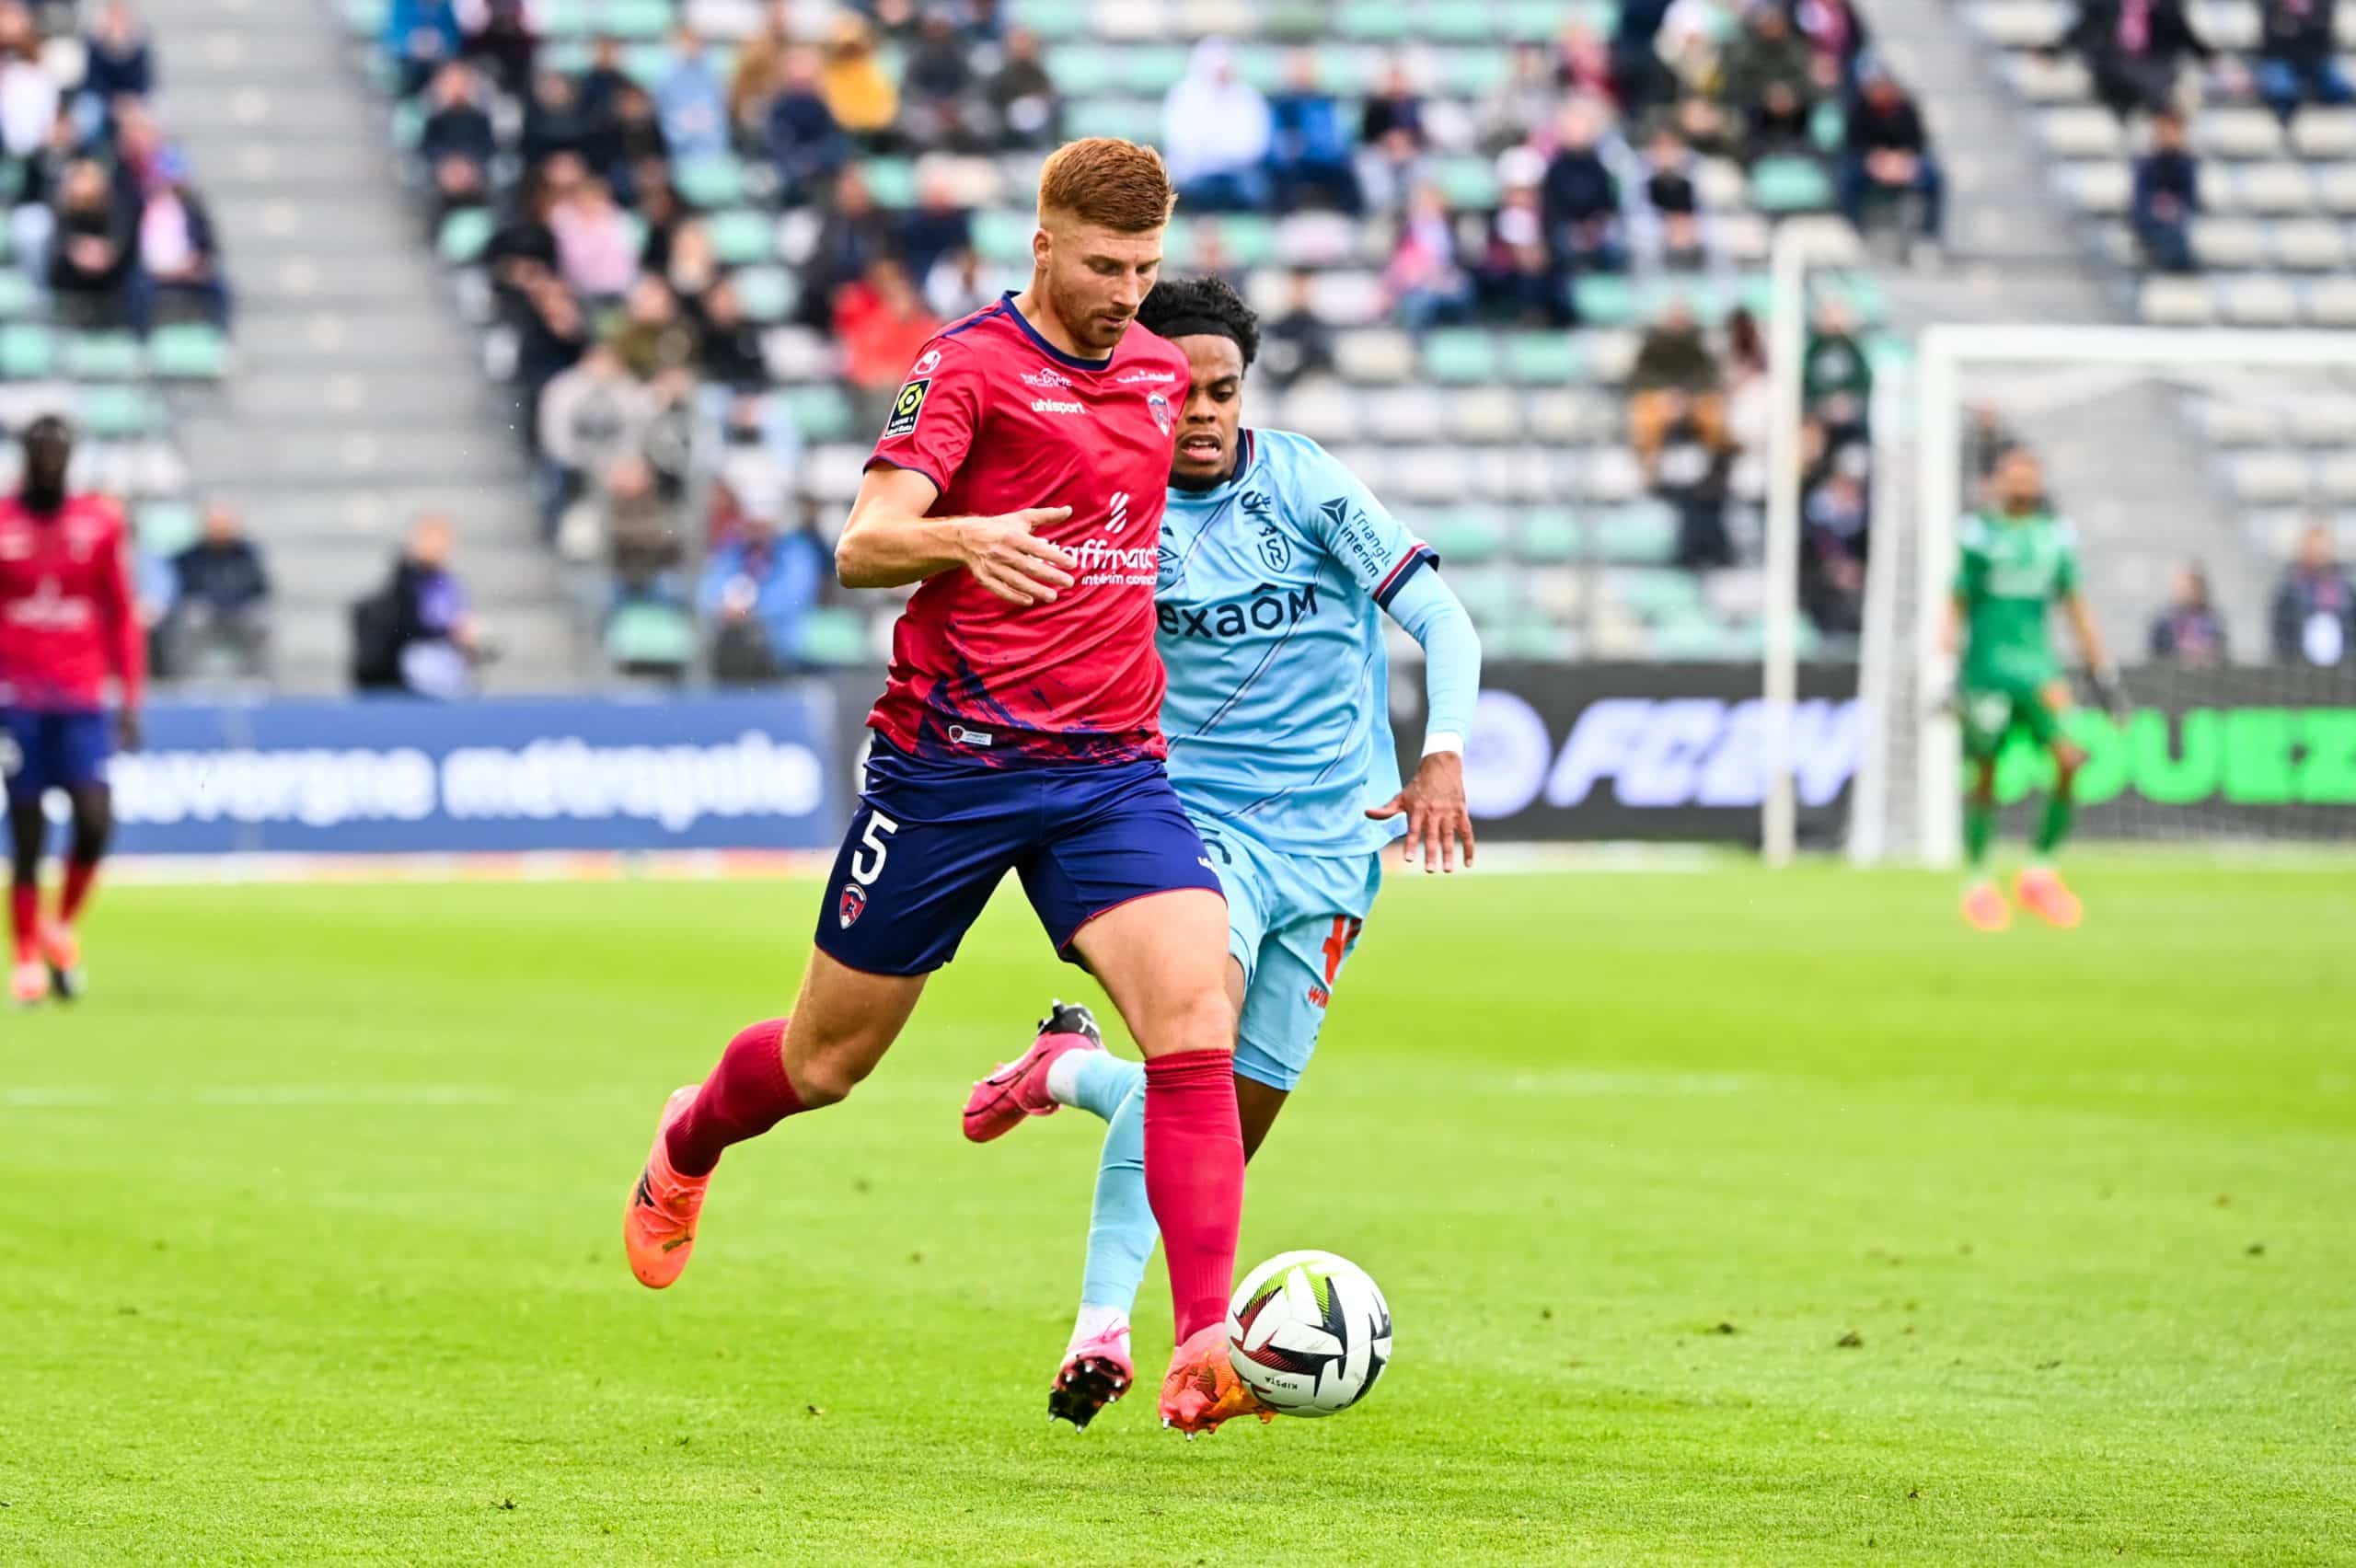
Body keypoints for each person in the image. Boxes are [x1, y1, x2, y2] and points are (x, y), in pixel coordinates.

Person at [618, 138, 1255, 1436]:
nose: (1129, 293)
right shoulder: (967, 369)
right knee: (824, 1063)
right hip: (950, 766)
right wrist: (962, 536)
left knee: (1197, 1015)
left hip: (1108, 772)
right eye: (1103, 265)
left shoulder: (1151, 375)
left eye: (1145, 266)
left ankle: (1203, 1340)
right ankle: (691, 1138)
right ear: (1043, 242)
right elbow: (863, 543)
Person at [955, 275, 1481, 1431]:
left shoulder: (1303, 484)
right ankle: (1109, 1328)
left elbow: (1441, 618)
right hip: (1192, 836)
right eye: (1180, 389)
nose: (1198, 411)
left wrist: (1441, 752)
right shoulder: (1115, 512)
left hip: (1335, 850)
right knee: (1194, 1051)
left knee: (1221, 1132)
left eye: (1221, 390)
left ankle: (1064, 1072)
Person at [1944, 447, 2120, 932]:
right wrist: (1944, 670)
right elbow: (1955, 603)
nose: (2023, 483)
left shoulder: (2054, 538)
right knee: (1985, 774)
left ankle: (2039, 873)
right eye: (2014, 475)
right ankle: (1978, 883)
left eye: (2030, 475)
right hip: (1986, 672)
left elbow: (2075, 606)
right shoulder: (1979, 536)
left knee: (2069, 759)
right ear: (1998, 482)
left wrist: (2101, 673)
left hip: (2041, 672)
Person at [0, 417, 142, 1008]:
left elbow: (121, 611)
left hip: (81, 698)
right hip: (17, 699)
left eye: (60, 449)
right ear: (27, 456)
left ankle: (62, 924)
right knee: (28, 829)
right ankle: (28, 955)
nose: (50, 459)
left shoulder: (99, 522)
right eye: (41, 449)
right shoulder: (3, 522)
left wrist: (130, 695)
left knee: (94, 818)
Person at [350, 513, 484, 698]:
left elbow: (461, 618)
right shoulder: (406, 580)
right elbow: (407, 625)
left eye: (441, 540)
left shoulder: (450, 583)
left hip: (450, 659)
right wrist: (448, 632)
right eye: (430, 540)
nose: (436, 547)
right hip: (417, 659)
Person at [698, 511, 825, 680]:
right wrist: (725, 605)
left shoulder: (795, 553)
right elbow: (708, 591)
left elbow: (796, 596)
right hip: (730, 641)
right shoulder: (732, 551)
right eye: (752, 525)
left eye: (762, 525)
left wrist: (753, 610)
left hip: (779, 641)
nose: (756, 532)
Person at [1161, 39, 1272, 212]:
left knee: (1255, 189)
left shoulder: (1248, 98)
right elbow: (1180, 142)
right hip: (1195, 170)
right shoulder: (1184, 96)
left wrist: (1221, 155)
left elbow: (1253, 146)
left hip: (1237, 173)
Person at [2058, 0, 2213, 123]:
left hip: (2154, 70)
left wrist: (2209, 57)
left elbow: (2184, 35)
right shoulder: (2102, 4)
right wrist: (2052, 52)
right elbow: (2081, 31)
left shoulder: (2167, 6)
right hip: (2114, 72)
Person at [1839, 69, 1945, 248]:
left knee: (1934, 178)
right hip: (1871, 163)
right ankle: (1851, 230)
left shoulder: (1906, 108)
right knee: (1848, 179)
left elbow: (1918, 142)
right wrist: (1874, 158)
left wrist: (1901, 158)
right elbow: (1853, 144)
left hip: (1902, 163)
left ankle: (1927, 237)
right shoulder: (1860, 109)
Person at [165, 503, 271, 675]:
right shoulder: (190, 556)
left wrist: (235, 605)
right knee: (189, 619)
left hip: (239, 611)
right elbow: (186, 589)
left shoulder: (247, 554)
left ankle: (258, 681)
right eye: (215, 524)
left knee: (261, 621)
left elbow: (259, 588)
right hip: (204, 612)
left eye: (225, 524)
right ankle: (184, 680)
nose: (220, 529)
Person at [1266, 49, 1360, 213]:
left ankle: (1350, 221)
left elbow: (1335, 141)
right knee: (1277, 177)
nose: (1303, 76)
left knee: (1347, 175)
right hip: (1293, 164)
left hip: (1323, 161)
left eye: (1306, 71)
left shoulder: (1325, 102)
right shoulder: (1282, 104)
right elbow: (1274, 143)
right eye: (1298, 71)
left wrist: (1312, 147)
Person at [2269, 521, 2356, 666]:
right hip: (2301, 667)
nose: (2319, 553)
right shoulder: (2290, 588)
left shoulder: (2344, 587)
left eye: (2322, 548)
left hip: (2343, 666)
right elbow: (2281, 631)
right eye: (2314, 548)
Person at [2253, 0, 2350, 125]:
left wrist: (2297, 24)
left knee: (2340, 90)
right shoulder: (2271, 4)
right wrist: (2301, 23)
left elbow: (2323, 33)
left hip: (2315, 60)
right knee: (2282, 90)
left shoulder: (2323, 4)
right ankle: (2286, 125)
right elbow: (2272, 35)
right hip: (2280, 60)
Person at [2131, 109, 2200, 272]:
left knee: (2177, 233)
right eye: (2165, 131)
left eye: (2175, 131)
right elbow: (2139, 206)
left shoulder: (2186, 165)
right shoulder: (2146, 165)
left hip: (2177, 224)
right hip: (2152, 226)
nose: (2171, 136)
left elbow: (2191, 200)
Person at [2147, 559, 2227, 663]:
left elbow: (2220, 654)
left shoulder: (2214, 622)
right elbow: (2155, 658)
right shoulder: (2162, 623)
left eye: (2193, 586)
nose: (2187, 591)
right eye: (2183, 586)